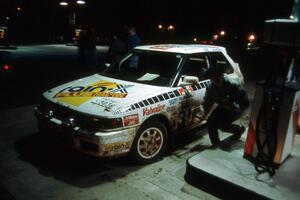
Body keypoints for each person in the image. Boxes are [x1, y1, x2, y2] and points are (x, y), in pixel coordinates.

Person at [194, 64, 249, 148]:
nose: (216, 81)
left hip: (236, 107)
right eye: (213, 79)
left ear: (222, 76)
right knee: (210, 121)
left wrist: (233, 105)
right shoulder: (210, 87)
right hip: (222, 106)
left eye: (218, 78)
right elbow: (207, 102)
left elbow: (244, 101)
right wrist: (202, 115)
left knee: (223, 125)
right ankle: (215, 143)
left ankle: (239, 129)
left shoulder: (233, 84)